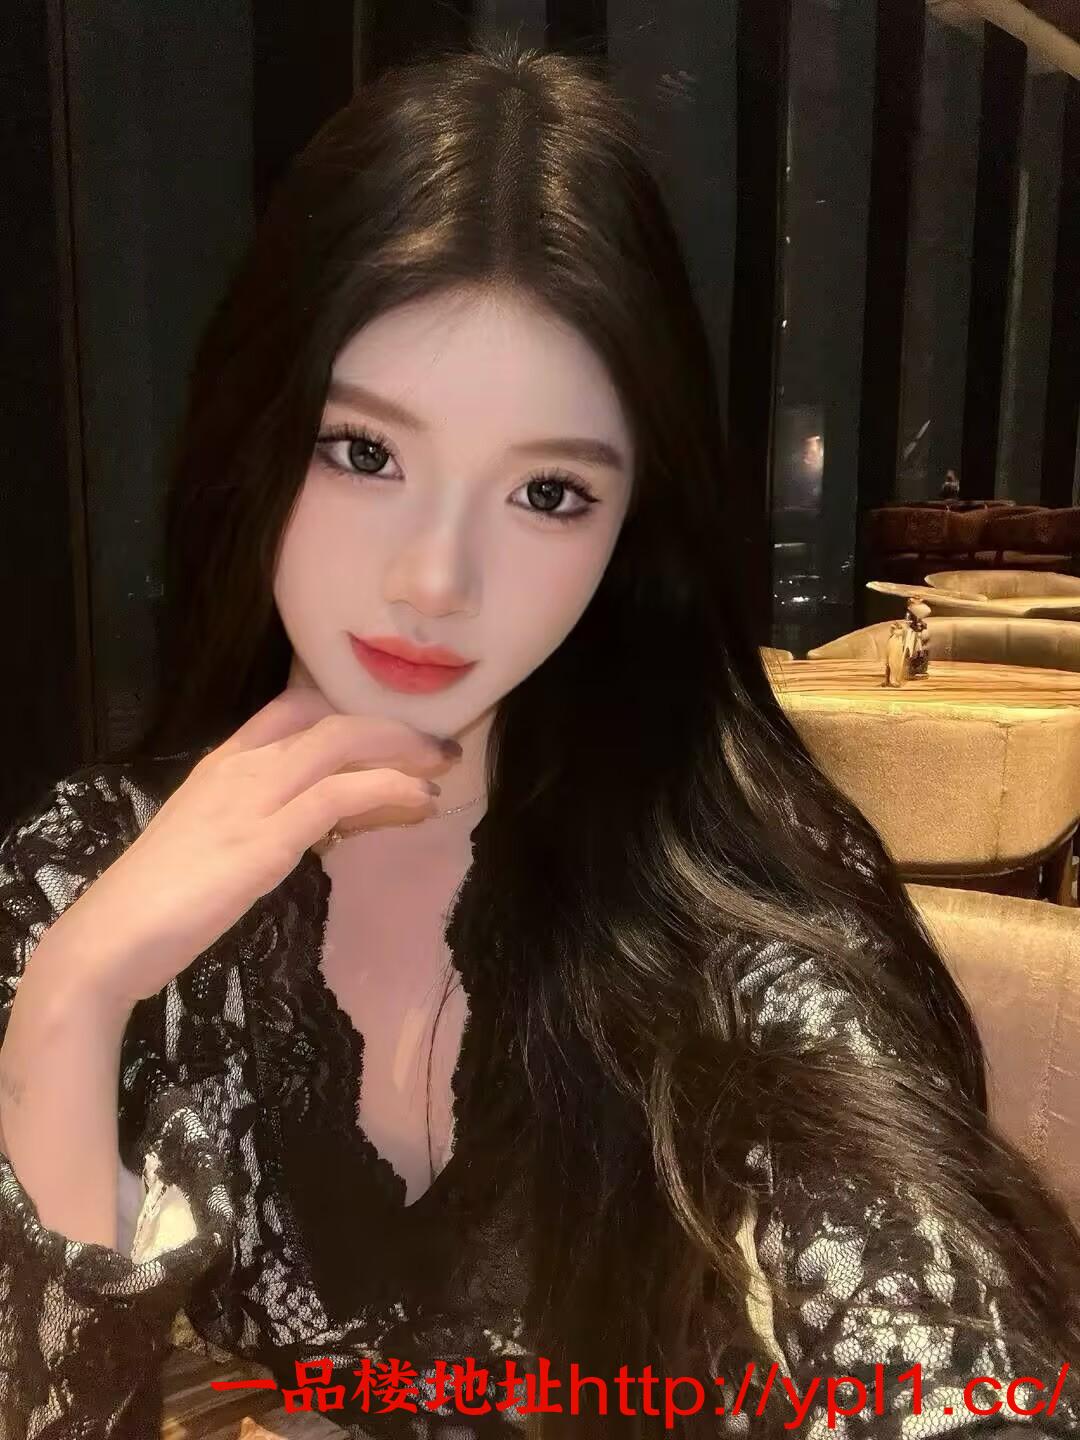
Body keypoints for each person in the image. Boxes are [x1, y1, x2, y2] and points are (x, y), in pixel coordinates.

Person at [1, 38, 1078, 1440]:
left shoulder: (724, 891)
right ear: (254, 437)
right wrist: (71, 1004)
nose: (435, 581)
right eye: (366, 452)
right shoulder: (91, 866)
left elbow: (938, 1338)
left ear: (631, 528)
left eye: (550, 493)